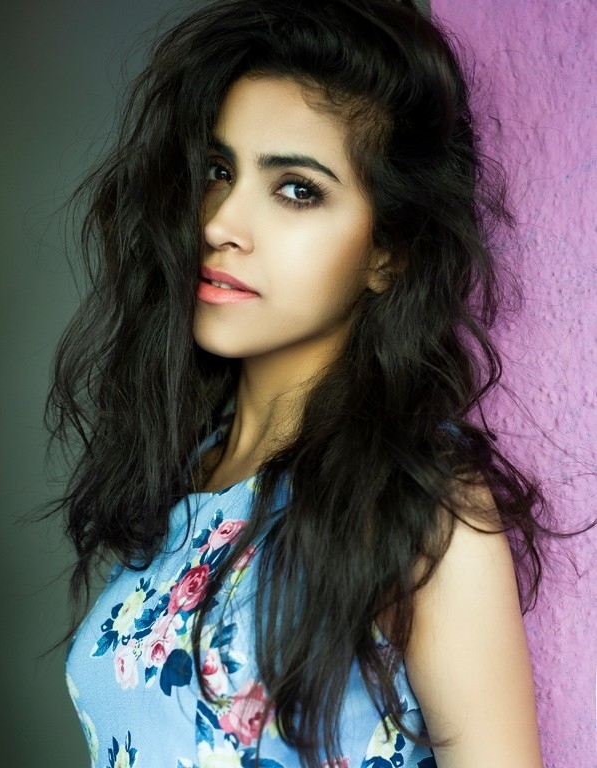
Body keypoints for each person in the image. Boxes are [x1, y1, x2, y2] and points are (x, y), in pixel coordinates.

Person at [46, 1, 548, 766]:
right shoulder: (189, 474)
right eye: (219, 172)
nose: (219, 223)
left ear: (388, 252)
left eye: (297, 190)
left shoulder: (418, 506)